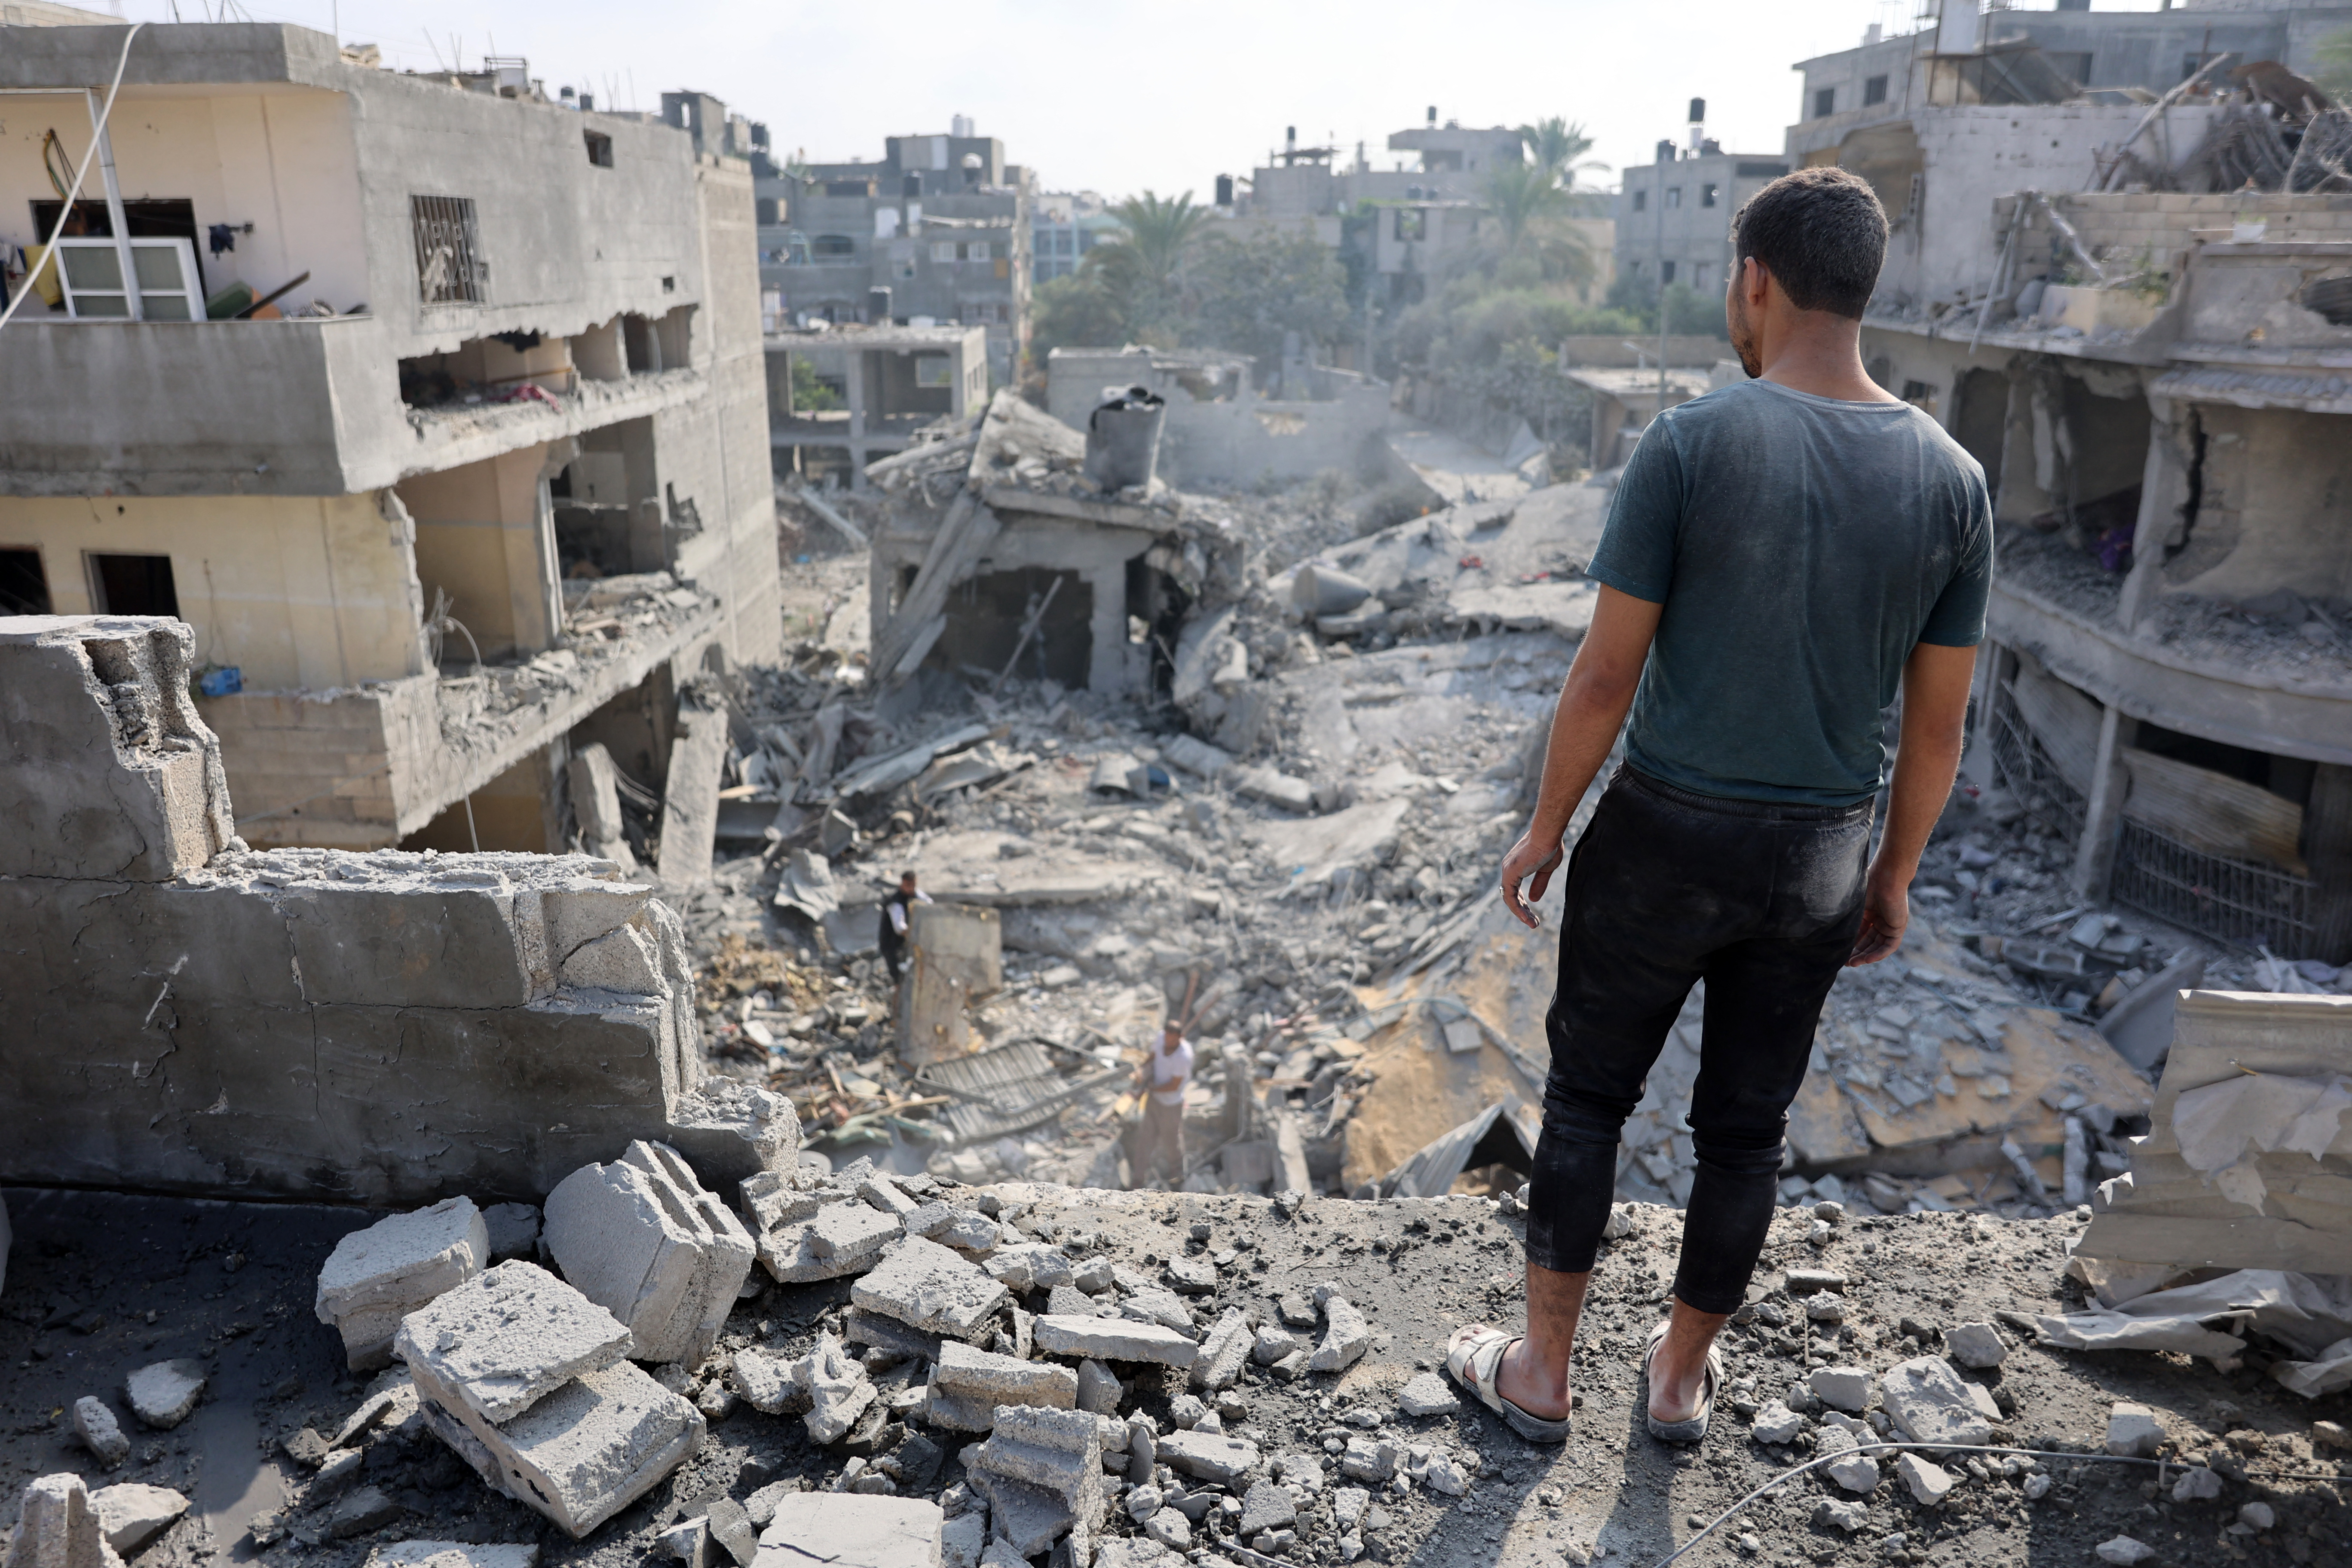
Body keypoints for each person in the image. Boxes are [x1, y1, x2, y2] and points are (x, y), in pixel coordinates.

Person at [1449, 166, 1991, 1447]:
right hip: (1818, 853)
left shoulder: (1693, 441)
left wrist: (1544, 830)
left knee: (1589, 1099)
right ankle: (1681, 1381)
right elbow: (1939, 726)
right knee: (1745, 1134)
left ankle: (1539, 1372)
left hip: (1666, 835)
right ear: (1863, 287)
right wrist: (1893, 872)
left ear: (1756, 279)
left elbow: (1603, 675)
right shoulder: (1952, 480)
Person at [1135, 1020, 1193, 1187]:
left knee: (1171, 1139)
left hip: (1171, 1105)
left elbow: (1174, 1085)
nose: (1167, 1041)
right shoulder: (1162, 1038)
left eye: (1172, 1039)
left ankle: (1176, 1172)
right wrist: (1142, 1070)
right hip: (1154, 1101)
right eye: (1166, 1037)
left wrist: (1152, 1088)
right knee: (1145, 1138)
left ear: (1180, 1038)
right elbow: (1153, 1057)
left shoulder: (1183, 1056)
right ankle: (1138, 1178)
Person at [876, 871, 930, 985]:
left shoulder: (917, 896)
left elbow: (930, 905)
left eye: (913, 885)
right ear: (902, 884)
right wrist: (915, 933)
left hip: (908, 946)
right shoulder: (896, 902)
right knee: (899, 979)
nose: (911, 889)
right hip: (893, 946)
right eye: (908, 886)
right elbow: (900, 928)